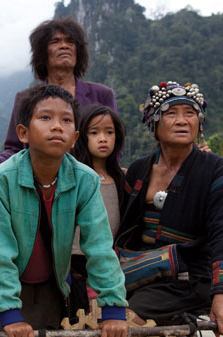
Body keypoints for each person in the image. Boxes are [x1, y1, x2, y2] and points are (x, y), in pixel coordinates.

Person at [0, 84, 128, 337]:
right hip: (11, 287)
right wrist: (9, 312)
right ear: (23, 133)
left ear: (74, 138)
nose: (57, 126)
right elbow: (1, 250)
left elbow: (99, 245)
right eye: (45, 117)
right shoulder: (3, 178)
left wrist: (113, 308)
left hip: (55, 285)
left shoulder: (85, 179)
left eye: (66, 120)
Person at [116, 81, 223, 336]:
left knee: (126, 318)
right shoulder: (139, 170)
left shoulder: (216, 169)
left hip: (190, 277)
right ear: (154, 121)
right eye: (171, 113)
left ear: (199, 123)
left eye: (190, 113)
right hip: (138, 271)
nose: (182, 120)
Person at [0, 18, 117, 164]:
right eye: (55, 42)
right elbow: (14, 149)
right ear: (42, 52)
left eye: (70, 42)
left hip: (92, 180)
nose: (64, 46)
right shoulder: (25, 98)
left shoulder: (102, 95)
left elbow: (115, 144)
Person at [67, 103, 127, 315]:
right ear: (82, 136)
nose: (103, 138)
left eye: (109, 132)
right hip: (75, 261)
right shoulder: (74, 176)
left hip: (110, 260)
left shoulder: (123, 178)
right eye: (94, 132)